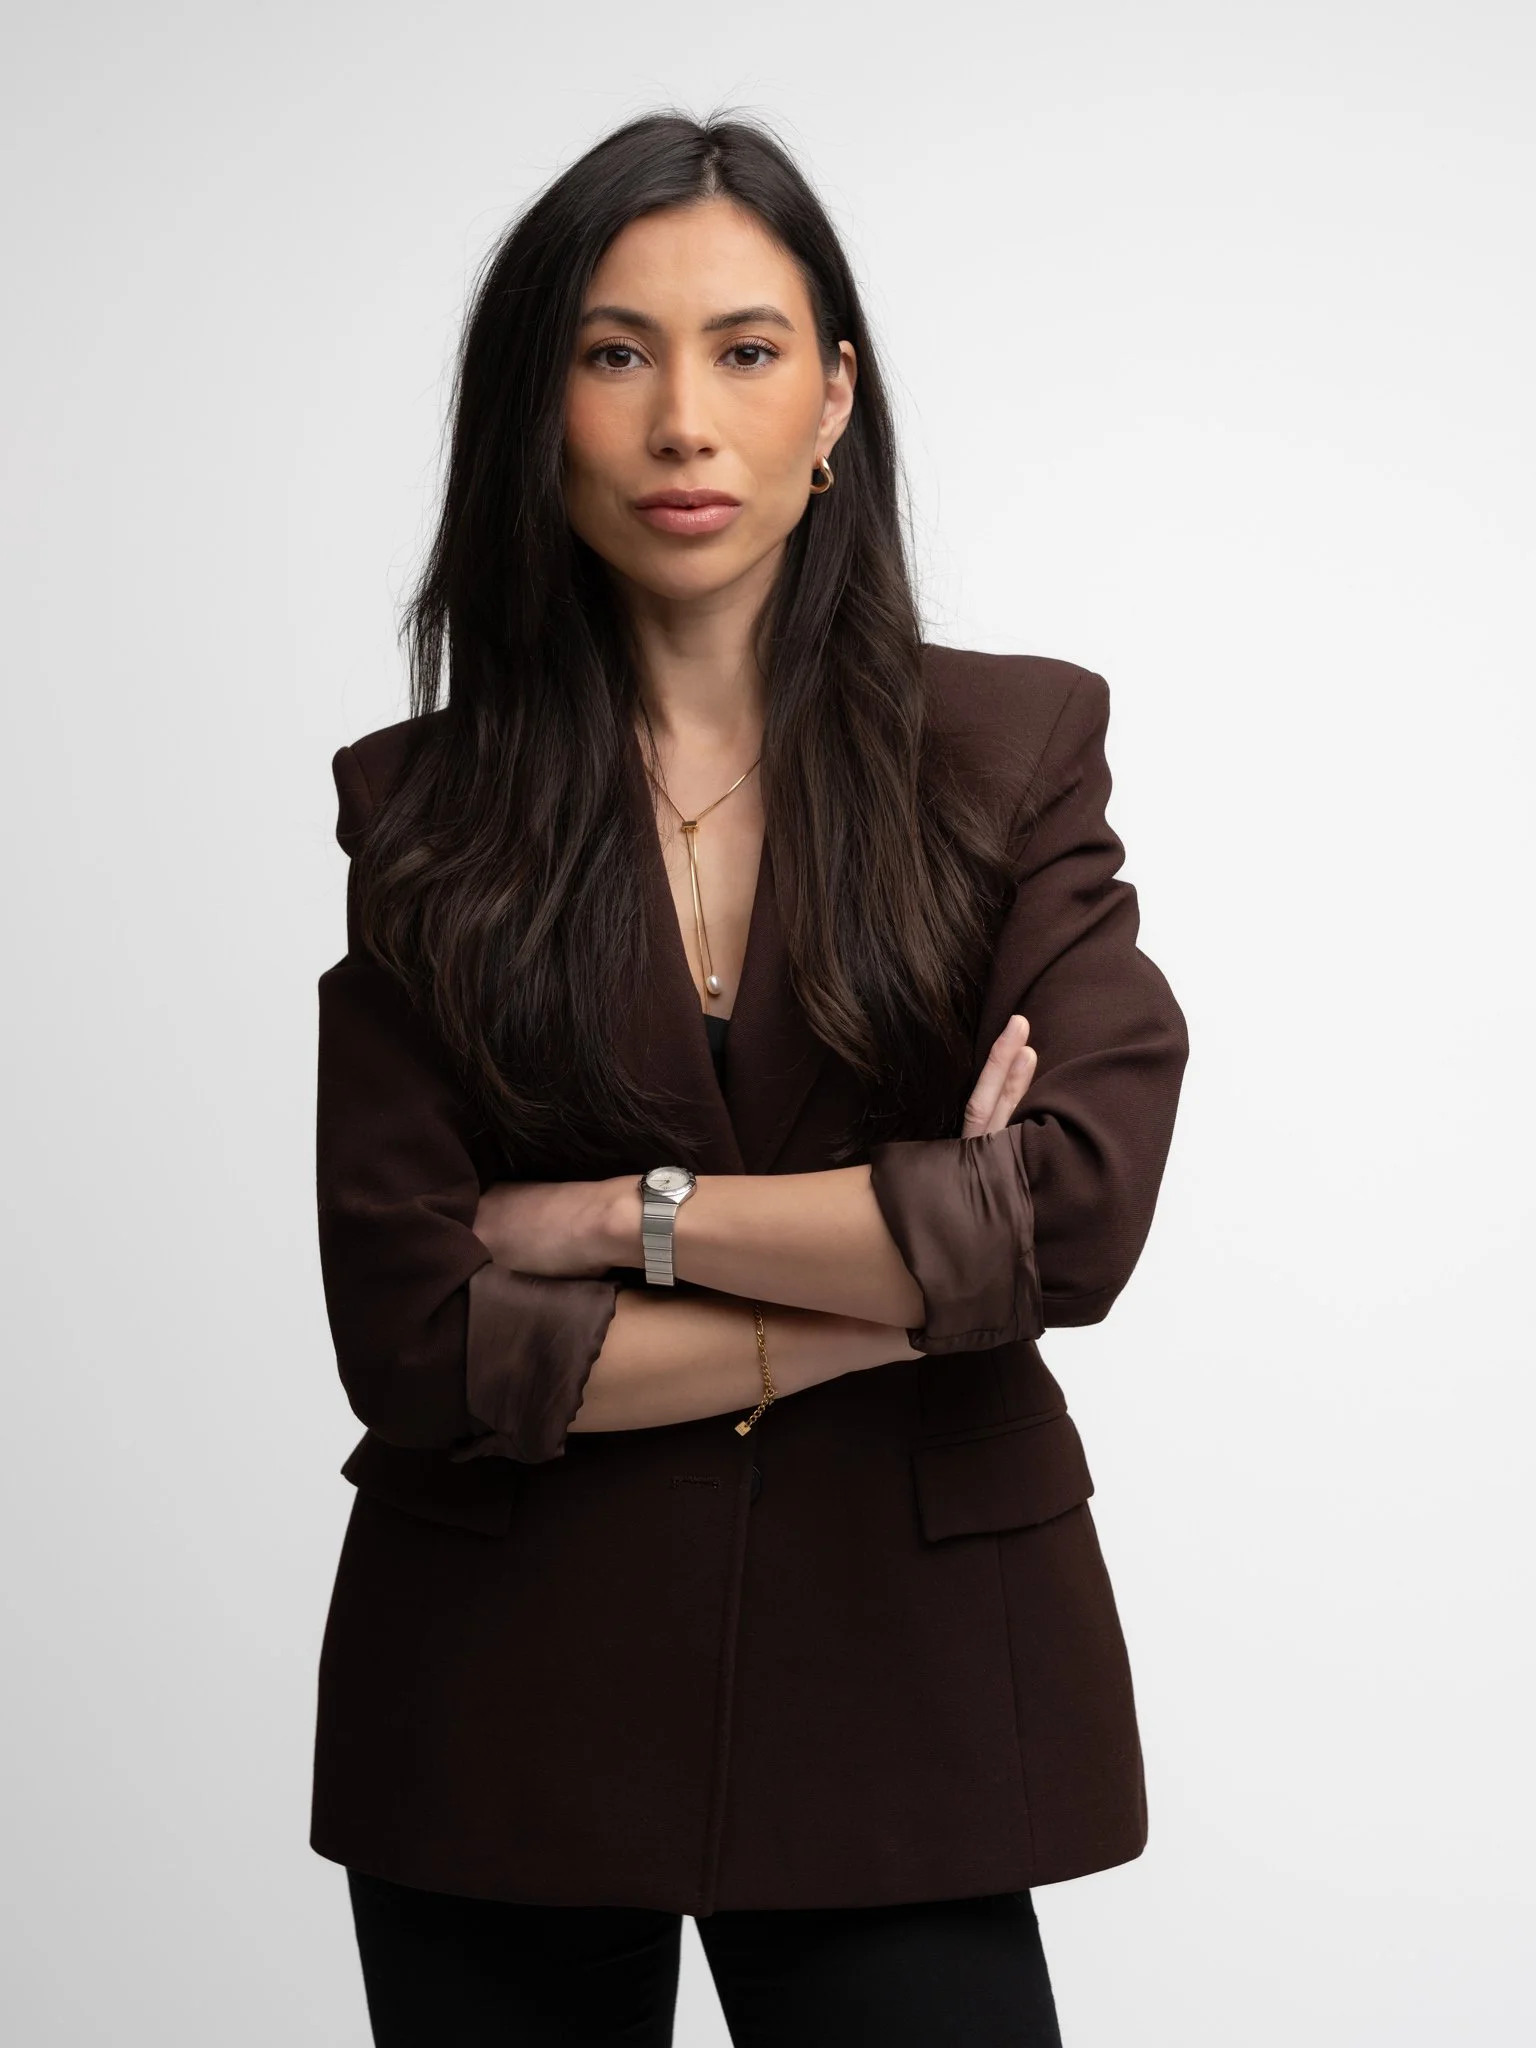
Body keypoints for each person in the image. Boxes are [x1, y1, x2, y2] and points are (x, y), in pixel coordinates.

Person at [310, 109, 1189, 2048]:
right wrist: (899, 1293)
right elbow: (418, 1331)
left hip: (910, 1677)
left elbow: (1075, 1201)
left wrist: (637, 1224)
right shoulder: (422, 813)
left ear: (835, 398)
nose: (684, 419)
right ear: (539, 408)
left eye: (746, 348)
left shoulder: (1015, 749)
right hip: (499, 1699)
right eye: (616, 352)